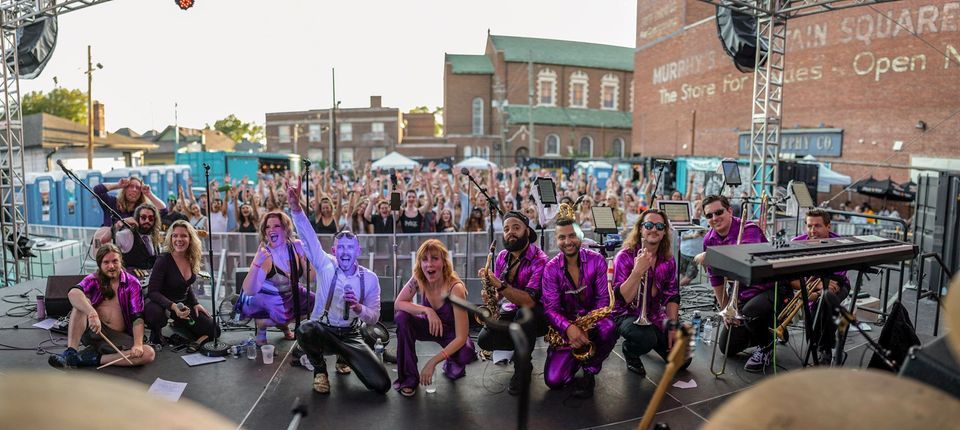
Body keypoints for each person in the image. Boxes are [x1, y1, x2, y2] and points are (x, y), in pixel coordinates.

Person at [285, 180, 390, 395]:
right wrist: (296, 209)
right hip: (324, 330)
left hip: (351, 334)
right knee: (305, 329)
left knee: (381, 385)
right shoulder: (325, 265)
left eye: (350, 248)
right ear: (334, 249)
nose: (344, 252)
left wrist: (360, 309)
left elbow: (374, 317)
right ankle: (320, 370)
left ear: (358, 251)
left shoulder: (369, 279)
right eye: (340, 247)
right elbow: (309, 238)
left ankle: (344, 358)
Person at [694, 195, 786, 372]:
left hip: (769, 289)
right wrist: (726, 309)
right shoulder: (709, 240)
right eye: (709, 216)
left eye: (719, 212)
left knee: (751, 312)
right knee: (727, 348)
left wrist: (711, 257)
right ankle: (766, 331)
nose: (714, 218)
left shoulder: (749, 229)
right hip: (742, 295)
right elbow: (716, 279)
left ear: (729, 211)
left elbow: (744, 258)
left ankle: (766, 346)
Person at [541, 204, 616, 398]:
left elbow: (603, 299)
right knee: (554, 381)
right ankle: (575, 358)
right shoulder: (550, 269)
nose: (568, 241)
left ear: (580, 235)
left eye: (572, 235)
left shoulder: (597, 260)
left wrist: (587, 325)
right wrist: (569, 328)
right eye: (562, 237)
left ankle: (590, 369)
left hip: (592, 323)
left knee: (609, 328)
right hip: (565, 330)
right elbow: (550, 309)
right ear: (556, 240)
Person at [476, 211, 549, 395]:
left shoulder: (540, 259)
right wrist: (490, 295)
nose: (510, 232)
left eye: (516, 227)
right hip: (512, 311)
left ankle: (522, 369)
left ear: (527, 231)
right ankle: (519, 349)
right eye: (506, 229)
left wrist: (498, 285)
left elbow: (529, 301)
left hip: (536, 314)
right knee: (485, 340)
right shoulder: (502, 256)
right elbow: (501, 294)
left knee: (523, 315)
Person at [48, 244, 156, 368]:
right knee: (81, 303)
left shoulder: (132, 283)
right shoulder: (93, 279)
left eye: (115, 261)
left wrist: (137, 344)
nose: (111, 266)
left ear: (121, 261)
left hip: (117, 339)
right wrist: (92, 313)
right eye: (106, 262)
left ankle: (90, 359)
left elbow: (138, 318)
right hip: (92, 331)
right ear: (100, 265)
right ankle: (71, 352)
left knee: (148, 353)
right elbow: (73, 293)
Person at [393, 239, 477, 397]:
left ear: (444, 262)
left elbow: (461, 337)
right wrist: (427, 311)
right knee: (402, 318)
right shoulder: (419, 278)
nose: (429, 264)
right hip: (430, 327)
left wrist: (432, 362)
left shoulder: (455, 288)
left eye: (434, 258)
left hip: (451, 334)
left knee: (465, 353)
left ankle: (451, 361)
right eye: (424, 259)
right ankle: (409, 378)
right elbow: (398, 303)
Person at [613, 209, 689, 378]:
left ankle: (654, 338)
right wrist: (637, 272)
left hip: (654, 315)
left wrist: (672, 326)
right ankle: (630, 351)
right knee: (645, 338)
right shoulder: (624, 256)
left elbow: (672, 295)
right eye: (649, 225)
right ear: (641, 228)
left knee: (683, 359)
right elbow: (623, 299)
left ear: (664, 232)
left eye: (659, 226)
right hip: (626, 314)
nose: (654, 229)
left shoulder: (668, 260)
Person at [237, 211, 315, 344]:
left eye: (276, 226)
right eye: (267, 227)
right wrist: (256, 263)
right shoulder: (266, 255)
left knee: (314, 302)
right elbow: (250, 291)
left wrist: (303, 256)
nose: (271, 230)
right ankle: (262, 330)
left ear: (285, 228)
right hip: (268, 296)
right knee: (276, 316)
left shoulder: (296, 246)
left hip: (291, 292)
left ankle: (284, 326)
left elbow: (311, 278)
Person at [143, 220, 219, 346]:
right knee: (154, 314)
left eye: (183, 235)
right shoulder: (163, 259)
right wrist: (173, 307)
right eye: (175, 235)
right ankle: (156, 333)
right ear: (171, 238)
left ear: (190, 238)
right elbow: (152, 292)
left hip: (183, 304)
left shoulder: (191, 257)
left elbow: (186, 285)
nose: (179, 239)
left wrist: (195, 303)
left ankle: (180, 324)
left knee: (214, 330)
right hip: (163, 303)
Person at [790, 209, 850, 364]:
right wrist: (816, 286)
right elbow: (790, 276)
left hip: (838, 283)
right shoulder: (796, 242)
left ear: (828, 227)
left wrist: (817, 288)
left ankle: (822, 347)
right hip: (811, 284)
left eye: (817, 226)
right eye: (809, 226)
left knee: (826, 301)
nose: (812, 231)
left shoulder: (840, 243)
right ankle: (825, 348)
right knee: (822, 304)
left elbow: (834, 285)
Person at [114, 203, 162, 273]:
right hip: (131, 280)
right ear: (137, 218)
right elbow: (106, 241)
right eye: (143, 217)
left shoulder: (155, 236)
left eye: (151, 218)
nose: (147, 221)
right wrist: (119, 224)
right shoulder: (127, 235)